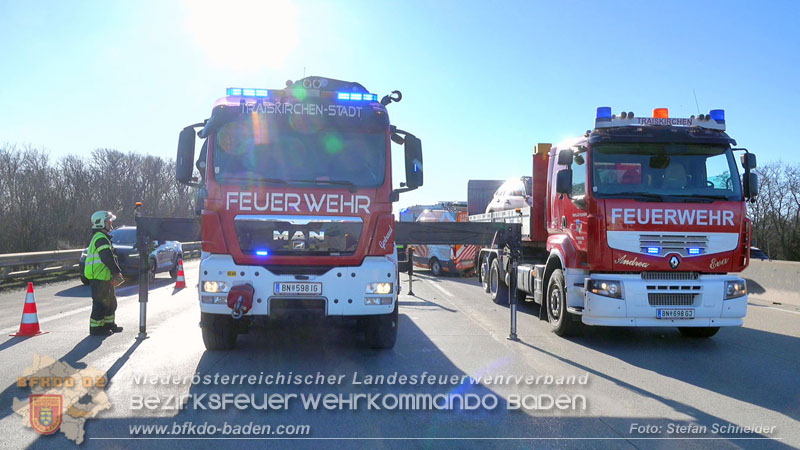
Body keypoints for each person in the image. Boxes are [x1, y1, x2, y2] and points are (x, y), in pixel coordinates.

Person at [84, 211, 125, 336]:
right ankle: (96, 328)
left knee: (111, 303)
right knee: (100, 304)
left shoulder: (103, 237)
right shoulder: (101, 238)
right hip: (98, 277)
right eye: (109, 221)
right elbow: (107, 257)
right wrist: (117, 272)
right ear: (102, 223)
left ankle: (108, 325)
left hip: (104, 276)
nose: (111, 223)